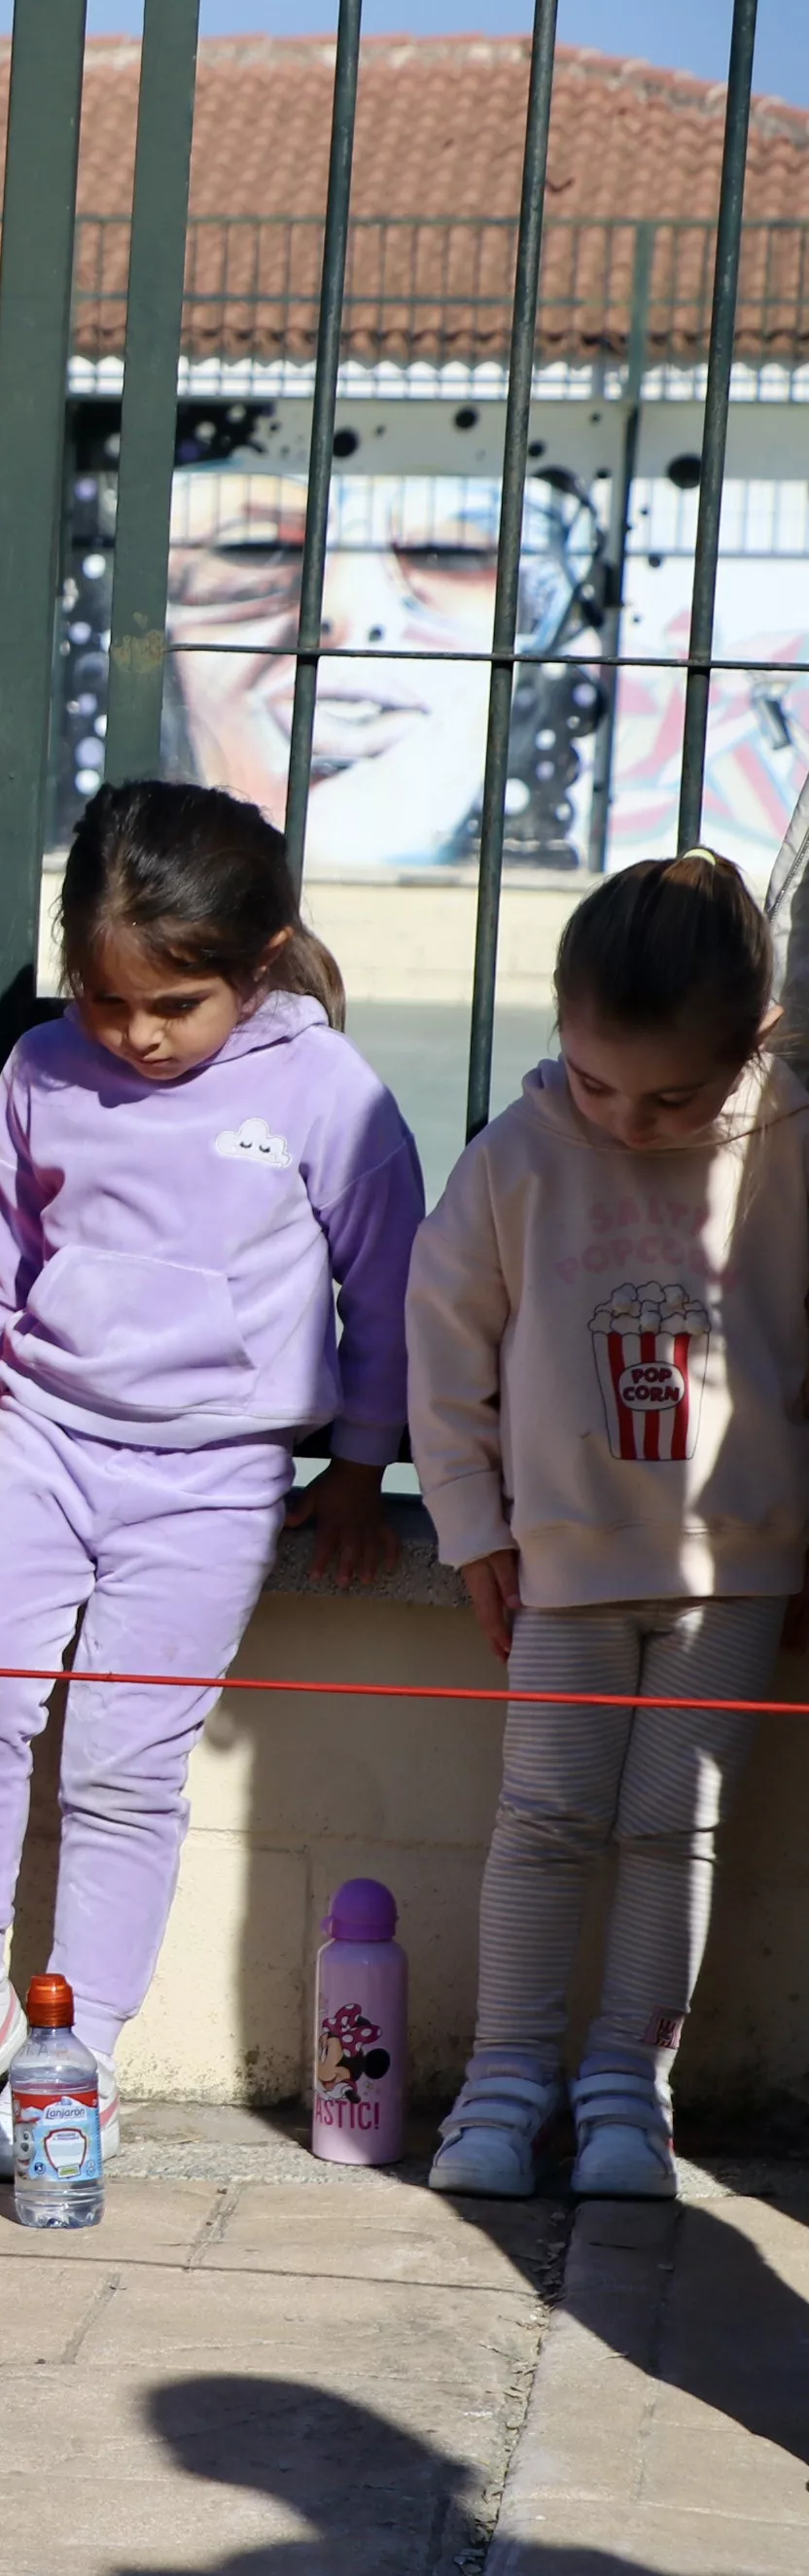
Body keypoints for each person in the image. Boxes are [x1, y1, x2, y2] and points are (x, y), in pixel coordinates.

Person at [0, 782, 424, 2175]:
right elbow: (3, 1262)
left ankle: (81, 2052)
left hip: (217, 1477)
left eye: (173, 1005)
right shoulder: (43, 1068)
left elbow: (390, 1290)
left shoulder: (327, 1095)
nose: (135, 1034)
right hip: (45, 1442)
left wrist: (358, 1468)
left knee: (125, 1765)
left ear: (258, 962)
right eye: (108, 999)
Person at [409, 851, 805, 2202]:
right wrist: (472, 1526)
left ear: (754, 1040)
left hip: (736, 1574)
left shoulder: (795, 1148)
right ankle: (504, 2083)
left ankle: (632, 2089)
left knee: (671, 1830)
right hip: (564, 1570)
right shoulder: (518, 1153)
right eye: (595, 1084)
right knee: (546, 1817)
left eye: (672, 1097)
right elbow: (443, 1342)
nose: (628, 1122)